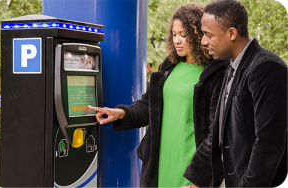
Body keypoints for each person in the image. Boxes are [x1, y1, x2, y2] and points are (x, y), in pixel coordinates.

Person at [89, 2, 228, 188]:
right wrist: (120, 113)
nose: (177, 40)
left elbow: (216, 134)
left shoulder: (215, 73)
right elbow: (148, 106)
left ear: (198, 35)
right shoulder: (168, 66)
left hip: (191, 169)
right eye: (174, 34)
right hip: (160, 163)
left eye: (183, 35)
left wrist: (199, 181)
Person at [184, 0, 288, 188]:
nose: (203, 41)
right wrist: (197, 184)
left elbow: (268, 144)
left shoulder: (266, 67)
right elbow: (221, 134)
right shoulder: (230, 67)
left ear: (231, 33)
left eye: (208, 35)